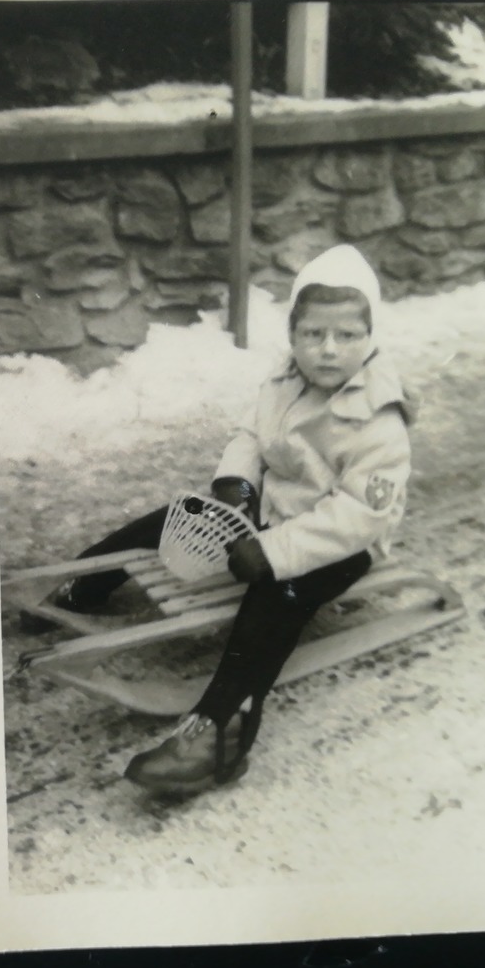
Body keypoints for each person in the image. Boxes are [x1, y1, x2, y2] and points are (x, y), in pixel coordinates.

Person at [32, 245, 416, 797]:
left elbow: (358, 514)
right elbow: (251, 437)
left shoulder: (380, 416)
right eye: (313, 334)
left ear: (370, 336)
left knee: (275, 594)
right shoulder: (284, 381)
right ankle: (84, 582)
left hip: (337, 545)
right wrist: (236, 488)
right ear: (293, 334)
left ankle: (220, 733)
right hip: (274, 515)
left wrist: (276, 553)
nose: (328, 350)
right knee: (180, 516)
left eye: (347, 335)